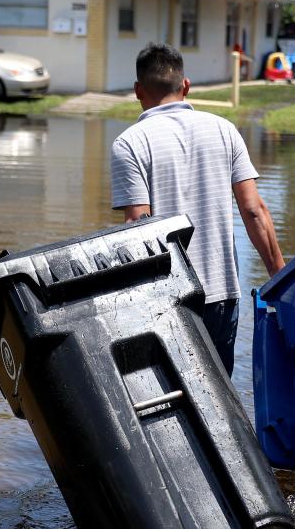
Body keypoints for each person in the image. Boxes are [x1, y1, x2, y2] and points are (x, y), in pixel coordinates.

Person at [111, 42, 285, 377]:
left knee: (176, 410)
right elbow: (254, 212)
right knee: (221, 406)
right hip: (222, 296)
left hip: (168, 300)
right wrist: (280, 279)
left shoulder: (130, 143)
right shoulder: (224, 129)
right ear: (186, 86)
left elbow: (137, 225)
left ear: (137, 90)